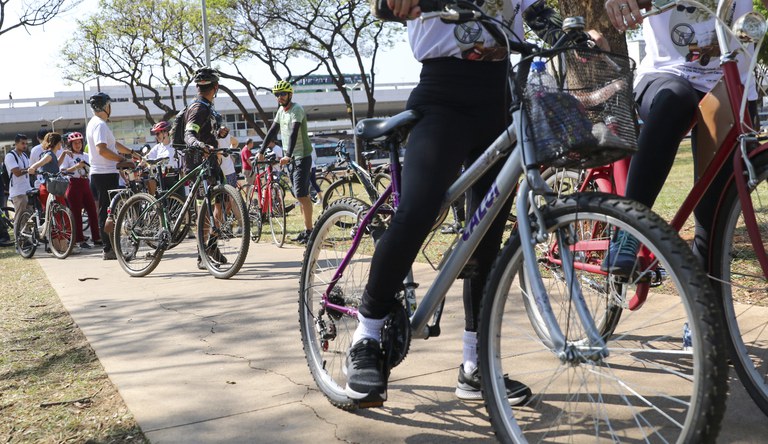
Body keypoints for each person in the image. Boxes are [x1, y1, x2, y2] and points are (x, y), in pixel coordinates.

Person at [341, 0, 606, 405]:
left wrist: (569, 36)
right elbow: (385, 7)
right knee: (419, 210)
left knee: (487, 237)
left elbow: (534, 11)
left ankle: (475, 364)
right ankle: (367, 334)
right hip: (443, 95)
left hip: (503, 93)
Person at [602, 0, 757, 272]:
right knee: (675, 100)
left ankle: (707, 310)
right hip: (668, 73)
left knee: (715, 215)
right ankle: (628, 230)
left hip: (732, 81)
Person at [180, 67, 231, 269]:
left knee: (224, 201)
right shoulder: (198, 108)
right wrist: (200, 145)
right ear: (216, 87)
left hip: (210, 160)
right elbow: (189, 134)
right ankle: (202, 253)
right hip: (198, 161)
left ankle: (210, 243)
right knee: (207, 208)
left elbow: (205, 131)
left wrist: (218, 133)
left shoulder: (207, 107)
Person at [85, 92, 141, 260]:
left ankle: (110, 247)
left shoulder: (96, 124)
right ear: (105, 107)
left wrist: (131, 153)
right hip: (104, 175)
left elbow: (113, 144)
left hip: (100, 174)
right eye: (109, 105)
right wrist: (122, 159)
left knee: (106, 211)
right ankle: (108, 249)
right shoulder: (100, 125)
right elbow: (102, 149)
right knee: (106, 213)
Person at [259, 80, 314, 243]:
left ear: (290, 94)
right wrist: (261, 151)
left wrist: (288, 154)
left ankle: (310, 231)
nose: (280, 97)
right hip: (289, 159)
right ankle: (308, 230)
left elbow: (294, 133)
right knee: (300, 195)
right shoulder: (281, 112)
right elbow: (272, 131)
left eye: (282, 94)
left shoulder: (297, 109)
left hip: (302, 156)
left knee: (301, 194)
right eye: (277, 94)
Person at [60, 132, 100, 249]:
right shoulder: (68, 156)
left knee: (92, 211)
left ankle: (96, 237)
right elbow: (63, 171)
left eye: (79, 142)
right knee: (76, 214)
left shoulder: (87, 155)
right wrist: (77, 166)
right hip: (73, 184)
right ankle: (79, 240)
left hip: (86, 184)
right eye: (75, 143)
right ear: (70, 144)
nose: (78, 145)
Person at [27, 132, 69, 210]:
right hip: (48, 187)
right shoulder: (49, 155)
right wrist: (32, 168)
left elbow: (57, 165)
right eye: (61, 142)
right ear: (57, 143)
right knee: (55, 213)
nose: (61, 144)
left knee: (59, 212)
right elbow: (40, 162)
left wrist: (64, 153)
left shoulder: (52, 154)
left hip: (53, 186)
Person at [4, 134, 33, 240]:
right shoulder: (10, 156)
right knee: (19, 217)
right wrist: (28, 170)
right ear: (16, 143)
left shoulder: (24, 156)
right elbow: (16, 172)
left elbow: (30, 169)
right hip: (18, 192)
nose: (25, 145)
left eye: (26, 143)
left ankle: (27, 239)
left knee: (28, 217)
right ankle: (18, 241)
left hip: (27, 190)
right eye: (22, 143)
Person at [144, 120, 182, 196]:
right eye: (155, 134)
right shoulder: (157, 147)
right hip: (160, 178)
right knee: (149, 181)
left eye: (158, 133)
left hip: (174, 179)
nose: (156, 136)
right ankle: (152, 203)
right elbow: (146, 158)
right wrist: (139, 165)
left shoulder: (175, 145)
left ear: (165, 132)